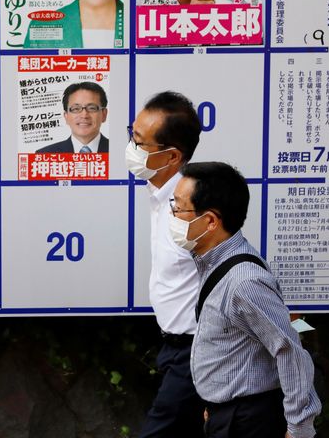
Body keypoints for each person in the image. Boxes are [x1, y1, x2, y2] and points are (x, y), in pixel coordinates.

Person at [173, 162, 321, 438]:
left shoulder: (244, 281)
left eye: (179, 208)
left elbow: (289, 350)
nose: (173, 215)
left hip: (248, 421)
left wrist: (299, 428)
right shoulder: (213, 262)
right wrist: (215, 404)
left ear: (210, 221)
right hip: (227, 413)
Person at [127, 91, 203, 437]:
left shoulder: (193, 211)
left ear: (171, 156)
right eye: (132, 135)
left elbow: (236, 276)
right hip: (174, 347)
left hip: (197, 354)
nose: (131, 148)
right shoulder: (161, 197)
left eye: (140, 142)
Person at [36, 82, 108, 154]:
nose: (84, 115)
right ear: (66, 116)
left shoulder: (117, 151)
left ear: (104, 114)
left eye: (92, 108)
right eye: (76, 109)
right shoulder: (43, 154)